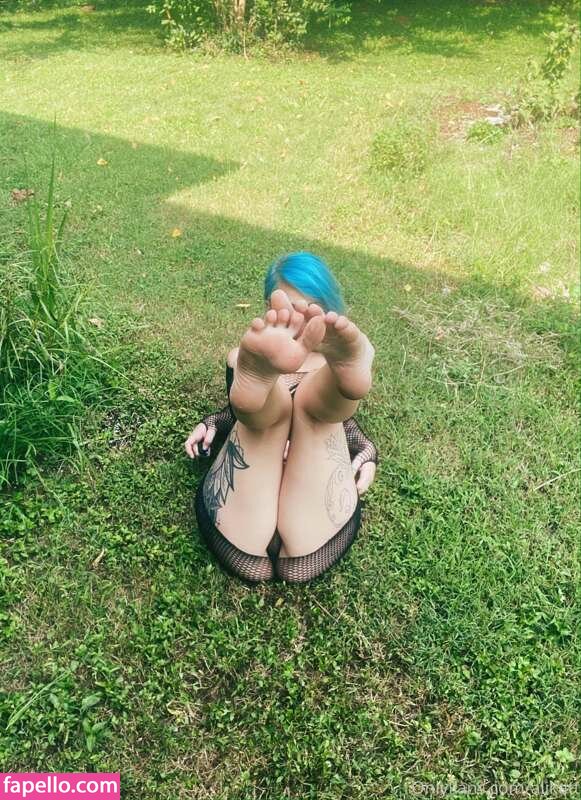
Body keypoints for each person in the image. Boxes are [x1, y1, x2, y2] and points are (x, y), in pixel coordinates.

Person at [184, 251, 378, 585]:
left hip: (297, 496)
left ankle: (331, 390)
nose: (304, 321)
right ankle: (269, 391)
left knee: (313, 413)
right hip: (270, 498)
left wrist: (367, 452)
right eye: (291, 308)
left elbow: (347, 428)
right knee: (265, 418)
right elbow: (235, 413)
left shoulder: (330, 361)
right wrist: (213, 422)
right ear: (269, 307)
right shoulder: (252, 353)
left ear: (328, 307)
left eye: (312, 309)